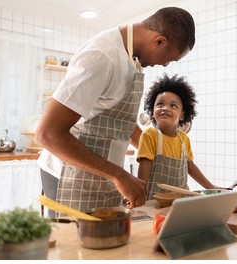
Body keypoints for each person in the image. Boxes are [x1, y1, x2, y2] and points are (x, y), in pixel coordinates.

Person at [36, 7, 196, 217]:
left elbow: (118, 121)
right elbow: (48, 134)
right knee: (75, 248)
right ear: (159, 41)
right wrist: (119, 175)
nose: (165, 65)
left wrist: (160, 149)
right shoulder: (102, 56)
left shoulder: (133, 59)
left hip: (103, 177)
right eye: (169, 59)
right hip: (69, 177)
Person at [137, 74, 222, 200]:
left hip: (181, 201)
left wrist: (211, 187)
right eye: (160, 104)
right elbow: (143, 174)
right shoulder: (150, 135)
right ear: (152, 110)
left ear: (182, 115)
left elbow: (190, 167)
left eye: (173, 106)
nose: (165, 108)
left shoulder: (184, 139)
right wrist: (139, 196)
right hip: (154, 203)